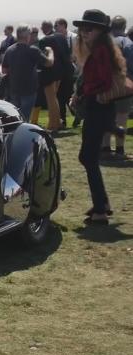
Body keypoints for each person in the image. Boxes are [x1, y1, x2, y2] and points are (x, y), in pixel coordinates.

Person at [72, 9, 127, 224]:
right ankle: (101, 205)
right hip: (99, 108)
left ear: (100, 31)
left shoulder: (100, 51)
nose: (84, 32)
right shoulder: (100, 49)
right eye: (82, 29)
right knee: (89, 157)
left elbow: (103, 82)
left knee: (87, 157)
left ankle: (101, 210)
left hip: (99, 107)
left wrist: (84, 92)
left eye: (89, 29)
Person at [2, 24, 54, 120]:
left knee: (15, 117)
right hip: (29, 90)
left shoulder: (9, 50)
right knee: (25, 118)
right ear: (27, 36)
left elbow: (4, 70)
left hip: (14, 89)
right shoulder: (33, 50)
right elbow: (49, 63)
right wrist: (51, 52)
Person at [102, 16, 133, 159]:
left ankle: (105, 148)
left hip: (105, 85)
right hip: (123, 86)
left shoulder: (104, 43)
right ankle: (120, 150)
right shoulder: (128, 43)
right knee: (122, 117)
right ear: (124, 27)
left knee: (107, 117)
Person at [38, 20, 72, 132]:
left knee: (51, 100)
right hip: (62, 72)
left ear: (43, 28)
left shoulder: (44, 40)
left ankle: (53, 124)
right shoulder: (61, 37)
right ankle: (57, 122)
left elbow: (44, 60)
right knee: (55, 99)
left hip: (49, 73)